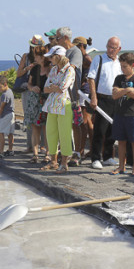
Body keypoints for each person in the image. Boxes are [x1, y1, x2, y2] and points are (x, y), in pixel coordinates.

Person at [87, 36, 124, 169]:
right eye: (108, 46)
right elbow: (91, 78)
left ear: (118, 49)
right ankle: (96, 158)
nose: (109, 50)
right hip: (102, 98)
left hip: (116, 100)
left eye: (113, 48)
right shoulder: (99, 59)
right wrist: (94, 97)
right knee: (100, 129)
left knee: (112, 129)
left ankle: (108, 156)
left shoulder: (120, 62)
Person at [40, 46, 75, 174]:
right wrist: (54, 87)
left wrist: (53, 87)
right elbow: (46, 88)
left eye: (51, 57)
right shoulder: (54, 69)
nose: (49, 59)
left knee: (64, 133)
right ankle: (54, 161)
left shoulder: (70, 70)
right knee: (51, 132)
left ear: (58, 56)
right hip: (52, 104)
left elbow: (62, 87)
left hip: (64, 104)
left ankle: (64, 163)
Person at [110, 52, 134, 177]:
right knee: (121, 140)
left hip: (133, 114)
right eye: (121, 66)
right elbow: (114, 95)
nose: (122, 69)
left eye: (125, 66)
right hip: (119, 113)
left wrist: (122, 91)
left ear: (132, 65)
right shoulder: (119, 78)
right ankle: (121, 166)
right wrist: (128, 90)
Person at [55, 27, 84, 166]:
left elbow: (70, 68)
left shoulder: (75, 52)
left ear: (65, 38)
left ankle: (77, 152)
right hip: (60, 95)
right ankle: (65, 151)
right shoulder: (61, 52)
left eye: (57, 38)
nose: (55, 41)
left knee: (75, 124)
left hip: (72, 96)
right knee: (62, 124)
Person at [18, 35, 48, 153]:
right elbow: (19, 73)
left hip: (42, 93)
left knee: (43, 121)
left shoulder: (45, 59)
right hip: (29, 91)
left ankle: (42, 146)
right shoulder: (26, 56)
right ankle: (31, 145)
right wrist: (28, 68)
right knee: (30, 119)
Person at [26, 52, 50, 163]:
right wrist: (32, 88)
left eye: (37, 56)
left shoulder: (50, 68)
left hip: (46, 101)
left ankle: (48, 154)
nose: (35, 58)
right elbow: (29, 84)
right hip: (35, 100)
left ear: (42, 57)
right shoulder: (35, 69)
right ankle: (35, 154)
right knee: (35, 127)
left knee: (47, 129)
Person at [73, 36, 94, 159]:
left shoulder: (86, 58)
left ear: (81, 46)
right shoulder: (83, 57)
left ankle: (81, 150)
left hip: (84, 93)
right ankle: (90, 149)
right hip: (82, 91)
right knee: (87, 122)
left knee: (84, 122)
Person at [0, 75, 15, 157]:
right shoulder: (10, 91)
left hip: (5, 115)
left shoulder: (4, 95)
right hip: (12, 114)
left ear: (5, 84)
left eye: (0, 87)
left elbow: (1, 108)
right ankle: (10, 150)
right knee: (10, 133)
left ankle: (1, 151)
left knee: (1, 133)